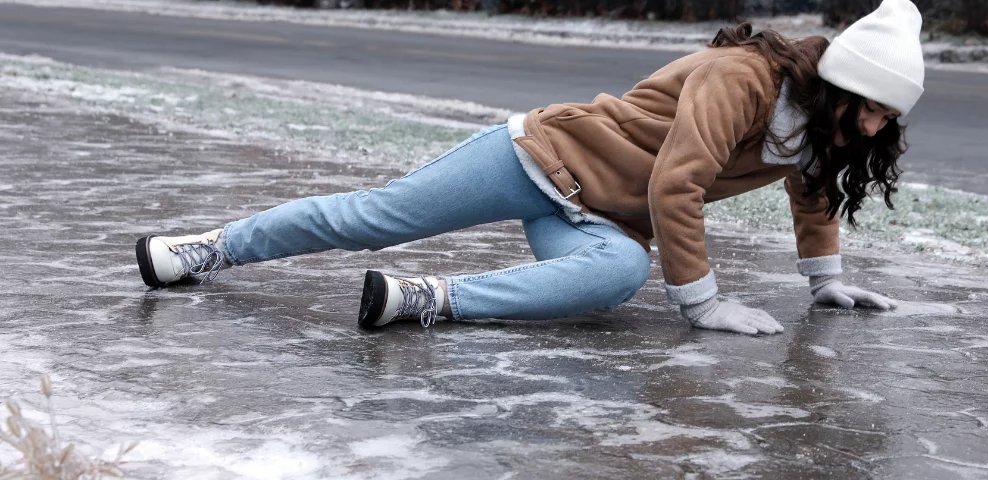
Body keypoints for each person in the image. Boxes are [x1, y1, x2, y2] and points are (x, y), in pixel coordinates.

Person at [134, 0, 924, 336]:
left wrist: (824, 280)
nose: (880, 126)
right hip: (537, 156)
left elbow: (813, 185)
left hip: (598, 218)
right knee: (372, 219)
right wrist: (703, 305)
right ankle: (208, 248)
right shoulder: (742, 79)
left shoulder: (820, 126)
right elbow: (677, 183)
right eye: (876, 108)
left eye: (891, 116)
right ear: (840, 86)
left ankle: (426, 300)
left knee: (614, 278)